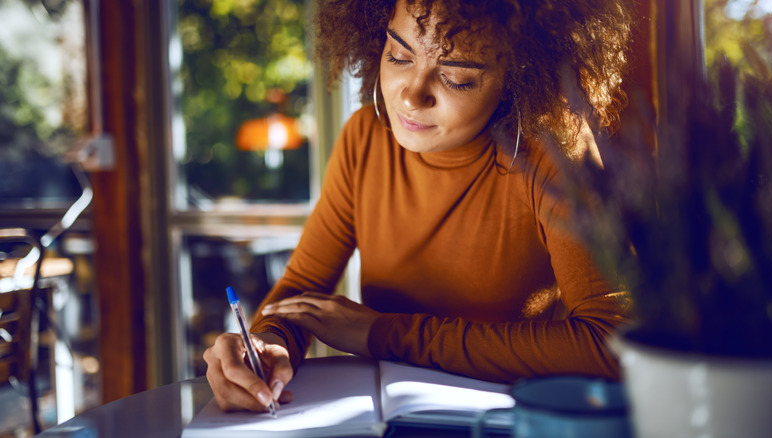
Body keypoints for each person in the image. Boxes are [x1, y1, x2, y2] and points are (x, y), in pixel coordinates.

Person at [204, 0, 633, 412]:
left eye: (457, 78)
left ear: (519, 76)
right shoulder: (365, 138)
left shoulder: (556, 155)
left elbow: (613, 343)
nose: (411, 96)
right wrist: (265, 345)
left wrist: (384, 333)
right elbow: (303, 287)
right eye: (399, 56)